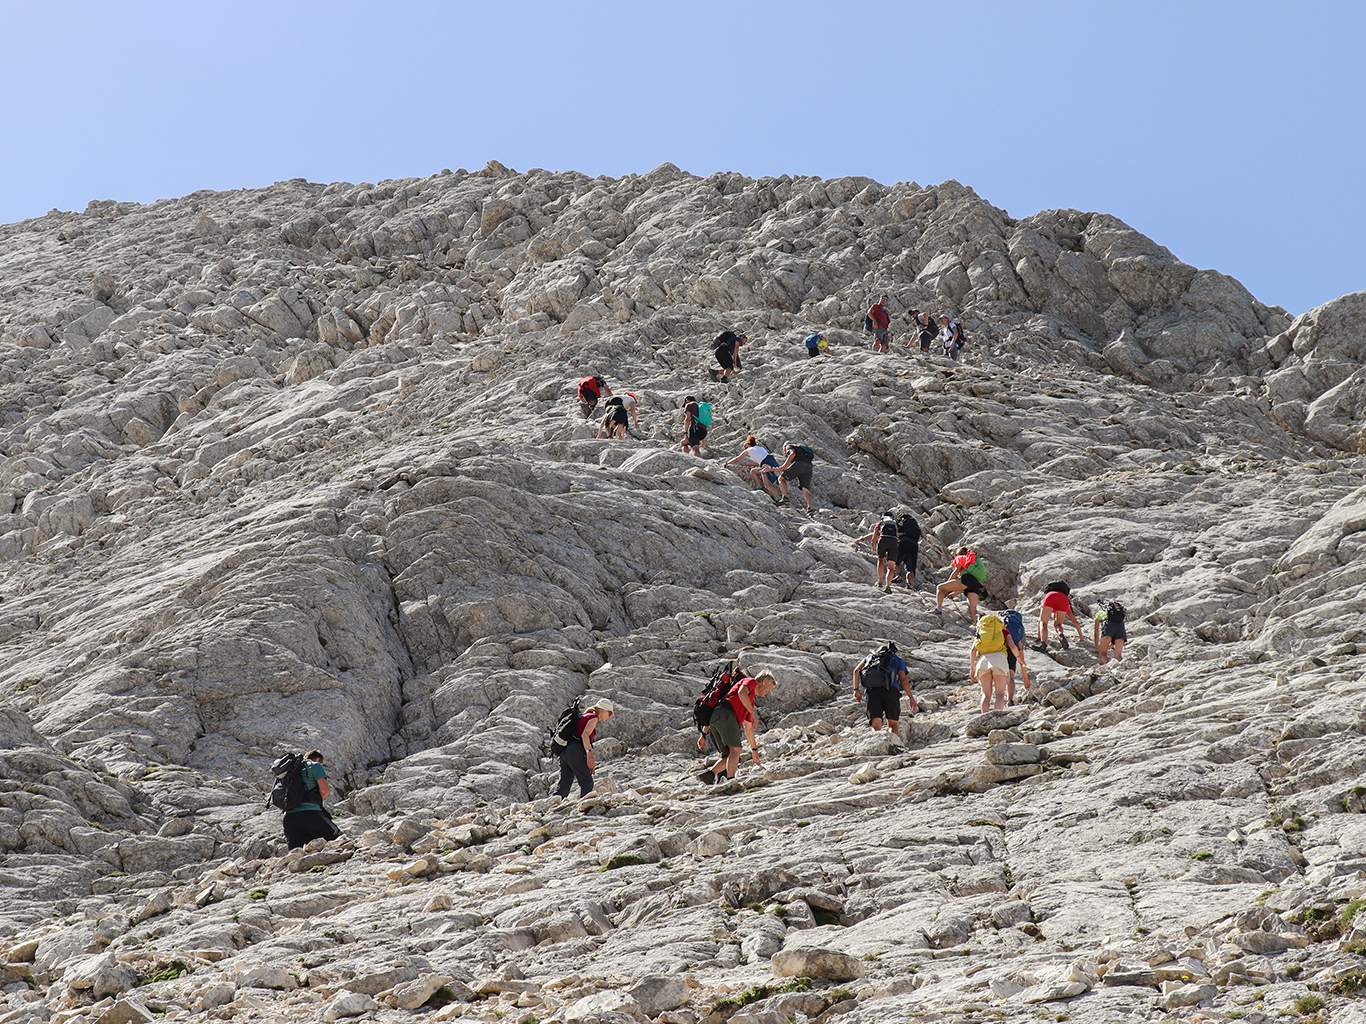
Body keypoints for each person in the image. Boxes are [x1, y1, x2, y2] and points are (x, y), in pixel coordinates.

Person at [699, 671, 776, 785]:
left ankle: (709, 775)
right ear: (764, 681)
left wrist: (754, 750)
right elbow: (741, 693)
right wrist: (753, 714)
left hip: (716, 719)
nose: (769, 692)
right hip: (727, 715)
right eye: (769, 688)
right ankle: (731, 782)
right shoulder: (750, 682)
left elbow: (748, 727)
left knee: (729, 756)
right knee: (736, 750)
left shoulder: (750, 702)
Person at [852, 642, 917, 735]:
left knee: (876, 725)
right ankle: (895, 746)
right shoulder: (897, 660)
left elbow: (856, 671)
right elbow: (903, 679)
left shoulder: (870, 658)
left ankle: (877, 743)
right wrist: (911, 698)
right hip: (891, 691)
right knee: (893, 724)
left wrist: (856, 690)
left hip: (872, 691)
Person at [283, 749, 341, 850]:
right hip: (310, 814)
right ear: (318, 759)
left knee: (297, 854)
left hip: (289, 818)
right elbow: (324, 791)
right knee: (340, 839)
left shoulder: (290, 771)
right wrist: (317, 801)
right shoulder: (315, 765)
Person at [556, 699, 614, 799]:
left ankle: (549, 807)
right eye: (609, 714)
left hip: (565, 752)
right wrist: (589, 755)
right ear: (603, 710)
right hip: (575, 751)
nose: (609, 717)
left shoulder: (586, 716)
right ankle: (585, 809)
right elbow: (585, 735)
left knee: (563, 787)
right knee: (587, 782)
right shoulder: (594, 717)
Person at [970, 614, 1022, 712]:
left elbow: (973, 650)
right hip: (999, 661)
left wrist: (972, 668)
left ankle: (984, 717)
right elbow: (1013, 647)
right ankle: (998, 717)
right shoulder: (1003, 631)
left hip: (983, 661)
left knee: (986, 694)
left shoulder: (981, 633)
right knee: (1000, 693)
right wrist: (1018, 658)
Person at [853, 511, 900, 592]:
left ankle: (880, 581)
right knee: (891, 567)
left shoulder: (880, 523)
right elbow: (897, 535)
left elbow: (874, 537)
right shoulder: (895, 524)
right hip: (894, 542)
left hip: (883, 540)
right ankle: (888, 586)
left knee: (881, 560)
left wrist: (874, 547)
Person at [935, 547, 986, 621]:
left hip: (966, 579)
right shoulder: (972, 561)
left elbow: (957, 571)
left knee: (940, 588)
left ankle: (938, 610)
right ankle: (978, 627)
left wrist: (947, 584)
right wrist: (954, 594)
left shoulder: (961, 558)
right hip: (975, 583)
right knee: (973, 608)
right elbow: (965, 586)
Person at [726, 435, 782, 500]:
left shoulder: (749, 450)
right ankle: (759, 487)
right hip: (773, 465)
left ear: (747, 445)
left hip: (766, 466)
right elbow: (759, 462)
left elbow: (737, 459)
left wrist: (727, 463)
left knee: (768, 485)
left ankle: (778, 500)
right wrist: (747, 465)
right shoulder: (761, 448)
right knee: (753, 471)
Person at [1037, 582, 1085, 649]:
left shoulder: (1050, 593)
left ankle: (1043, 644)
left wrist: (1039, 637)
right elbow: (1075, 622)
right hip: (1064, 599)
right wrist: (1081, 638)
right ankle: (1060, 634)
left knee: (1043, 622)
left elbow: (1040, 621)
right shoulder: (1067, 604)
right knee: (1058, 624)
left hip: (1050, 596)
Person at [772, 442, 814, 508]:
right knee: (805, 489)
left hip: (800, 464)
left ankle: (785, 499)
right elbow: (787, 467)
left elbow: (792, 454)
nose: (785, 453)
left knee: (781, 478)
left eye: (784, 451)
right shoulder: (801, 451)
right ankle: (810, 507)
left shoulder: (789, 446)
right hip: (809, 466)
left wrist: (783, 466)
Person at [1001, 607, 1030, 703]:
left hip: (999, 649)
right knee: (1011, 676)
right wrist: (1026, 681)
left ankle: (998, 699)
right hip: (1013, 651)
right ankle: (1010, 700)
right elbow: (1022, 660)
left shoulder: (1001, 625)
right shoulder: (1019, 631)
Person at [892, 509, 921, 589]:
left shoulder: (902, 522)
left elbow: (897, 532)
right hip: (914, 544)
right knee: (911, 568)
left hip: (904, 542)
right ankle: (909, 584)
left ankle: (899, 576)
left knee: (894, 561)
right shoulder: (914, 525)